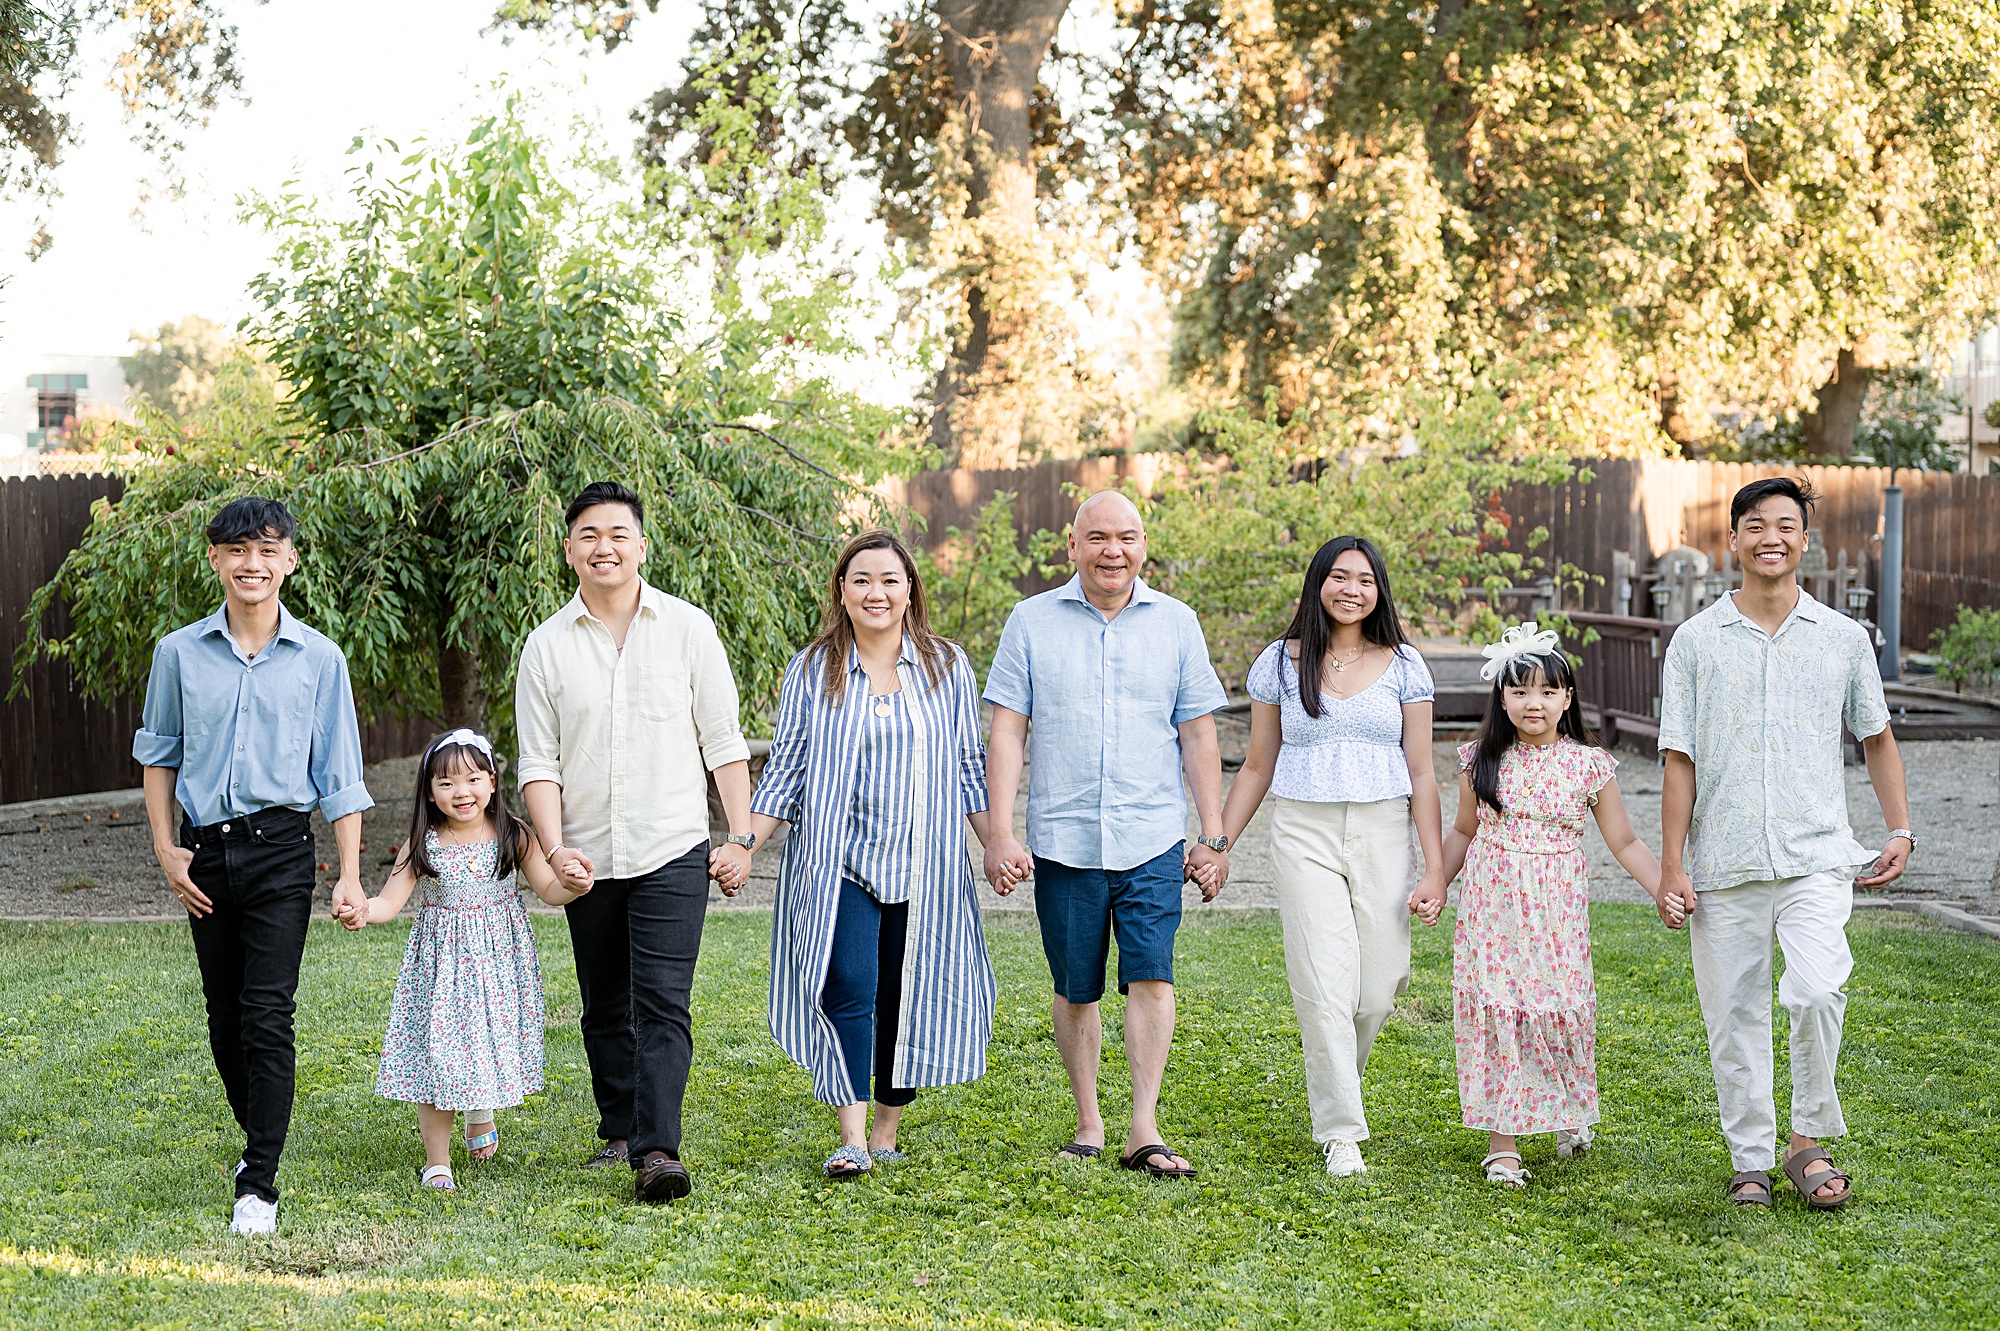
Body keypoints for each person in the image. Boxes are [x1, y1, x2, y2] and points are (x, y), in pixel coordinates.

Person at [1658, 476, 1911, 1211]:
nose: (1773, 536)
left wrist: (1899, 828)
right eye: (1757, 525)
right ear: (1733, 539)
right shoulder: (1696, 642)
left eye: (1787, 525)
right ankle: (1749, 1160)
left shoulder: (1841, 638)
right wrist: (1672, 862)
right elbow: (1680, 758)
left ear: (1806, 539)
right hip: (1726, 859)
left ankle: (1807, 1140)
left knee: (1818, 987)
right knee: (1732, 1012)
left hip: (1816, 856)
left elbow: (1877, 737)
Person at [133, 495, 374, 1237]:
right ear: (215, 560)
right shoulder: (178, 652)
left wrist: (350, 871)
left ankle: (260, 1181)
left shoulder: (319, 658)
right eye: (238, 549)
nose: (252, 563)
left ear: (290, 561)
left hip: (280, 851)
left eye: (269, 549)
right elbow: (158, 753)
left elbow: (341, 774)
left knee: (268, 1013)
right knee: (224, 1018)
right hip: (205, 854)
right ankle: (259, 1133)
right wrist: (166, 847)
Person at [722, 532, 996, 1179]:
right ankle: (850, 1136)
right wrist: (742, 845)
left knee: (906, 991)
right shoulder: (813, 669)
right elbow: (786, 772)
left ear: (910, 591)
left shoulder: (946, 665)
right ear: (841, 591)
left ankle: (887, 1129)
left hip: (924, 864)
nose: (877, 592)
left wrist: (997, 844)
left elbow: (967, 768)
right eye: (862, 579)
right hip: (838, 861)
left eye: (890, 580)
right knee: (848, 984)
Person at [514, 480, 757, 1205]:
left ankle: (657, 1149)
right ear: (569, 550)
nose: (604, 547)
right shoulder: (547, 646)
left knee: (662, 1002)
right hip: (586, 854)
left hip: (672, 846)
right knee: (603, 1003)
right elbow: (539, 763)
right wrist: (556, 851)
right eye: (588, 534)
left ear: (641, 545)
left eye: (618, 533)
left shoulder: (688, 628)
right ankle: (618, 1129)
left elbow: (724, 742)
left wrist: (739, 837)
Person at [982, 490, 1229, 1179]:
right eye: (1096, 537)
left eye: (1126, 537)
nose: (1111, 551)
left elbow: (1199, 732)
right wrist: (999, 833)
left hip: (1152, 836)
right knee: (1075, 986)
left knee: (1152, 974)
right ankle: (1089, 1119)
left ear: (1144, 545)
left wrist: (1212, 835)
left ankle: (1142, 1125)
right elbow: (1007, 730)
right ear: (1072, 546)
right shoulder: (1030, 622)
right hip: (1063, 838)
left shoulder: (1178, 624)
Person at [1212, 535, 1447, 1177]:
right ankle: (1342, 1128)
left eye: (1365, 580)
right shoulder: (1280, 664)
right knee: (1322, 981)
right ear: (1318, 584)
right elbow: (1258, 764)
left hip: (1382, 830)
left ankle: (1337, 1066)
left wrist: (1434, 867)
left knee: (1377, 988)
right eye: (1339, 577)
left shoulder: (1404, 665)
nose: (1352, 590)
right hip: (1304, 829)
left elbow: (1423, 773)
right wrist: (1219, 844)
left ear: (1380, 592)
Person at [1435, 625, 1670, 1188]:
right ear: (1502, 699)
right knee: (1499, 1010)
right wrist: (1435, 883)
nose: (1532, 703)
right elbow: (1464, 833)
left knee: (1558, 1009)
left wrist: (1664, 886)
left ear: (1567, 698)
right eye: (1519, 692)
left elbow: (1625, 842)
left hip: (1555, 911)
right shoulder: (1480, 760)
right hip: (1492, 913)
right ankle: (1504, 1144)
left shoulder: (1589, 765)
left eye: (1546, 692)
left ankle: (1567, 1110)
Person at [353, 729, 590, 1191]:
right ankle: (437, 1161)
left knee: (484, 1039)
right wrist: (364, 910)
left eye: (473, 779)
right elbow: (388, 902)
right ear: (429, 791)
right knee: (440, 1054)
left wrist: (576, 886)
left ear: (493, 782)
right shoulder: (424, 842)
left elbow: (548, 889)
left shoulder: (513, 834)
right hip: (441, 966)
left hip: (498, 964)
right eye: (446, 783)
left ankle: (480, 1113)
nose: (461, 792)